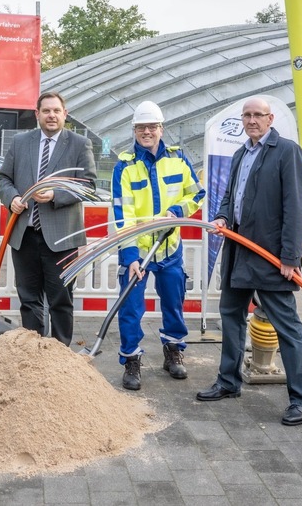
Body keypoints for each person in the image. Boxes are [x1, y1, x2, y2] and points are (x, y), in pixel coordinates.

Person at [197, 97, 302, 426]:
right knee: (231, 318)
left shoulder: (287, 152)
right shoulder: (239, 154)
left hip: (271, 258)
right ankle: (228, 381)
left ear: (270, 118)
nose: (251, 120)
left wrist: (290, 257)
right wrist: (221, 216)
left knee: (287, 327)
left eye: (257, 115)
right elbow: (228, 196)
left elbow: (297, 208)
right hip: (238, 254)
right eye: (246, 115)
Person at [111, 101, 204, 390]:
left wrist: (177, 211)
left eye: (152, 127)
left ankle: (173, 351)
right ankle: (131, 360)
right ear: (134, 131)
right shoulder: (125, 167)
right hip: (137, 250)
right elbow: (121, 216)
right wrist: (130, 257)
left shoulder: (178, 160)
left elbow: (197, 194)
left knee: (174, 303)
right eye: (141, 127)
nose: (147, 132)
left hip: (169, 247)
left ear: (161, 129)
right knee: (131, 308)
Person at [0, 92, 96, 345]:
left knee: (61, 299)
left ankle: (60, 356)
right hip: (24, 235)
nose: (51, 115)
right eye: (46, 111)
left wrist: (55, 194)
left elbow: (89, 185)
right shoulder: (20, 142)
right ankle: (33, 351)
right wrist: (13, 198)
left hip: (62, 237)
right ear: (36, 114)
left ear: (65, 113)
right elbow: (2, 179)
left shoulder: (78, 144)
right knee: (29, 299)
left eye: (56, 111)